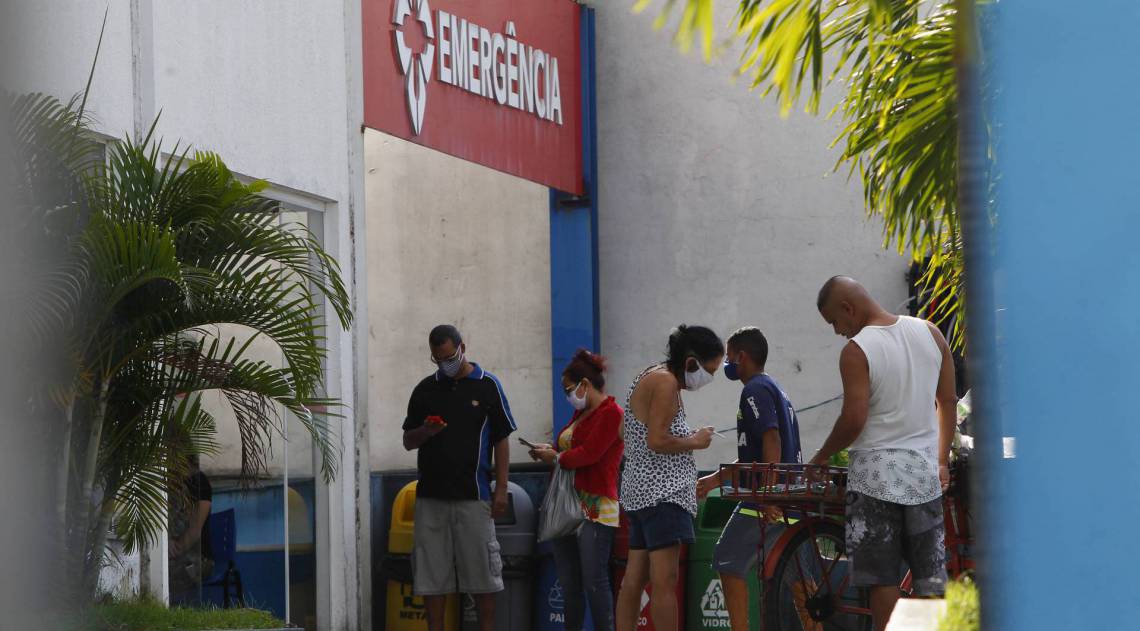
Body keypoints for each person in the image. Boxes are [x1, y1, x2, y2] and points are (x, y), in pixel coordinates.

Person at [808, 276, 957, 631]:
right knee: (931, 582)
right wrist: (941, 458)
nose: (837, 331)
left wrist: (821, 455)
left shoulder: (857, 351)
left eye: (834, 322)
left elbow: (854, 419)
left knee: (881, 579)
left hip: (874, 479)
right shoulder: (932, 334)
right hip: (923, 477)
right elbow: (948, 401)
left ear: (848, 308)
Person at [402, 325, 517, 631]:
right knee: (431, 578)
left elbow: (502, 438)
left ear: (463, 348)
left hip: (474, 496)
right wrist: (426, 431)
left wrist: (501, 489)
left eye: (450, 357)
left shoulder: (488, 386)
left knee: (483, 577)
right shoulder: (425, 390)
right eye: (438, 359)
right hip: (431, 498)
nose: (445, 364)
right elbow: (408, 441)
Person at [695, 327, 802, 631]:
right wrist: (715, 479)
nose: (727, 363)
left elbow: (771, 438)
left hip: (768, 497)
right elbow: (751, 456)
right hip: (792, 494)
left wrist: (768, 496)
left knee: (727, 558)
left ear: (741, 356)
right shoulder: (776, 388)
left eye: (729, 357)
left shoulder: (753, 390)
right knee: (800, 580)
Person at [616, 325, 722, 631]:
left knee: (634, 579)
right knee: (666, 581)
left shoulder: (651, 375)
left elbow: (627, 431)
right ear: (691, 362)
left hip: (639, 492)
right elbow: (657, 440)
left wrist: (683, 436)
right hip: (663, 495)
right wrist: (695, 441)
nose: (708, 379)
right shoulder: (665, 383)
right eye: (709, 370)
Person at [528, 349, 624, 631]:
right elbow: (571, 449)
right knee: (570, 583)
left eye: (569, 389)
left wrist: (556, 458)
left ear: (585, 384)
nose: (567, 395)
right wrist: (552, 451)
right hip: (567, 504)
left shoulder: (611, 413)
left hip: (595, 505)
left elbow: (590, 454)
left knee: (595, 581)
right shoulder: (580, 413)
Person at [169, 454, 214, 606]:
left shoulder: (199, 483)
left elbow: (195, 532)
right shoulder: (170, 484)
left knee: (162, 573)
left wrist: (171, 552)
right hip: (175, 552)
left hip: (198, 558)